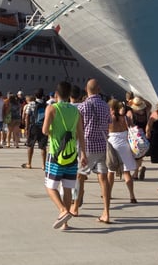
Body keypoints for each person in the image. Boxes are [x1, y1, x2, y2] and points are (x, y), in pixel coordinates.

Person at [42, 80, 84, 230]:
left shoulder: (52, 108)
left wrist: (53, 130)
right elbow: (80, 133)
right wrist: (83, 154)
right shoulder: (76, 111)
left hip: (56, 152)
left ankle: (62, 210)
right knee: (67, 188)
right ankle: (65, 224)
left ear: (56, 93)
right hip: (72, 154)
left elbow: (45, 130)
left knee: (50, 186)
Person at [73, 79, 114, 223]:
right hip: (103, 146)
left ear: (86, 89)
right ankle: (106, 212)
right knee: (103, 179)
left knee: (80, 177)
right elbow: (110, 124)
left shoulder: (83, 107)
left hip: (87, 146)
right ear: (99, 89)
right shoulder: (105, 106)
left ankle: (75, 207)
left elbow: (79, 128)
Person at [107, 98, 138, 204]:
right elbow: (132, 127)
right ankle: (132, 195)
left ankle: (109, 194)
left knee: (110, 172)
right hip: (125, 145)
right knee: (126, 172)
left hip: (112, 144)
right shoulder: (125, 118)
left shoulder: (109, 118)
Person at [126, 93, 150, 180]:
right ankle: (136, 173)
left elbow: (127, 125)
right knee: (140, 156)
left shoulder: (130, 113)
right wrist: (142, 99)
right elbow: (149, 105)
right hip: (143, 136)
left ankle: (137, 171)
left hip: (134, 137)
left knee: (133, 154)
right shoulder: (145, 112)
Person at [21, 90, 47, 169]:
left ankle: (29, 163)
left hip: (33, 127)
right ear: (43, 95)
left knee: (30, 145)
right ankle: (43, 165)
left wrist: (26, 127)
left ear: (35, 95)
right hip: (43, 127)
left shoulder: (31, 104)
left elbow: (27, 116)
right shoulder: (46, 105)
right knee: (43, 146)